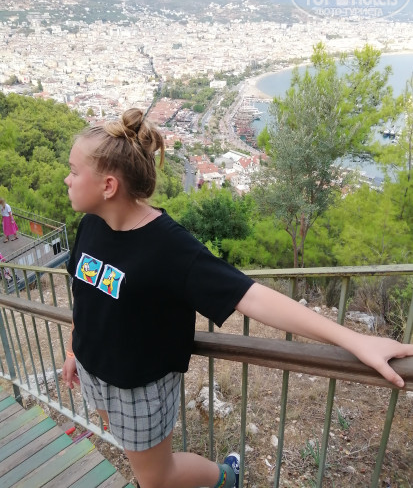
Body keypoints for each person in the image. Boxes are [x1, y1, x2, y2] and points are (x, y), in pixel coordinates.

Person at [62, 108, 413, 488]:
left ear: (108, 185)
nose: (67, 179)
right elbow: (84, 295)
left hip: (139, 386)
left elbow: (251, 297)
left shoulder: (169, 247)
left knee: (156, 479)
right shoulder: (91, 225)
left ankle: (226, 477)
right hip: (92, 370)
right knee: (130, 448)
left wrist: (354, 339)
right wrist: (74, 351)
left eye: (74, 171)